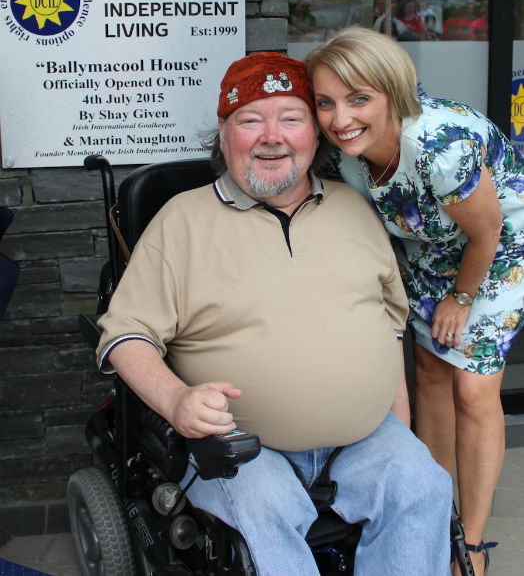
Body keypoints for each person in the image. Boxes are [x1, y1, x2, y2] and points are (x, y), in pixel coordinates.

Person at [96, 52, 452, 576]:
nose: (272, 137)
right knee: (265, 508)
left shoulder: (356, 209)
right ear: (223, 137)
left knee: (423, 483)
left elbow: (390, 325)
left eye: (291, 118)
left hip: (365, 439)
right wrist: (175, 401)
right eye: (249, 120)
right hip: (244, 448)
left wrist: (399, 428)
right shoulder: (182, 221)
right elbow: (126, 333)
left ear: (315, 136)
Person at [305, 26, 524, 576]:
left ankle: (471, 546)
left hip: (499, 250)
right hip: (429, 248)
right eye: (325, 102)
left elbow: (488, 230)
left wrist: (462, 298)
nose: (339, 118)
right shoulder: (343, 152)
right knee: (429, 372)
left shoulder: (439, 145)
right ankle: (431, 514)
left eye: (358, 99)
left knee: (473, 388)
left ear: (392, 93)